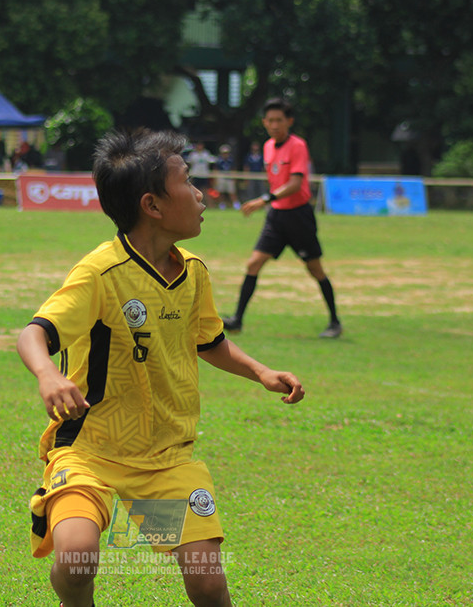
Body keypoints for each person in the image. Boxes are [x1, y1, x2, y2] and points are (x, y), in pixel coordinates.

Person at [17, 129, 305, 607]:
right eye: (189, 183)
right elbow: (34, 334)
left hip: (167, 459)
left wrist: (261, 373)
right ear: (152, 205)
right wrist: (48, 373)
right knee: (76, 559)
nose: (201, 196)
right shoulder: (99, 272)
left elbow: (209, 342)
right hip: (91, 452)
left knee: (208, 583)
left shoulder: (193, 271)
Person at [222, 97, 342, 339]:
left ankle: (334, 322)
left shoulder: (298, 146)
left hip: (298, 216)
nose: (274, 125)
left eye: (279, 120)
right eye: (270, 120)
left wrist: (263, 200)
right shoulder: (267, 147)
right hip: (276, 217)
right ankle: (237, 320)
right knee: (253, 264)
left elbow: (296, 184)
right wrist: (270, 204)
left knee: (315, 269)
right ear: (265, 122)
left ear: (289, 121)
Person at [186, 141, 216, 206]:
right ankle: (193, 204)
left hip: (204, 175)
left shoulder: (206, 154)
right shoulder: (193, 154)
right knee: (194, 190)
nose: (200, 147)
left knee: (205, 191)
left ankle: (210, 205)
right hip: (195, 175)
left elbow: (211, 162)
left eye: (201, 145)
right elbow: (189, 164)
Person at [213, 144, 240, 210]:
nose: (225, 154)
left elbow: (234, 169)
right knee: (221, 192)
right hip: (221, 177)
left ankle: (236, 205)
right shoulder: (219, 160)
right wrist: (215, 178)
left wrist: (234, 178)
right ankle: (222, 205)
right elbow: (216, 169)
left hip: (229, 177)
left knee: (232, 192)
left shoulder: (231, 160)